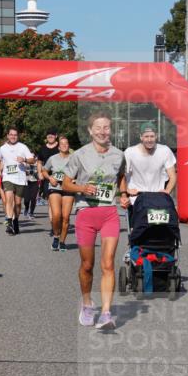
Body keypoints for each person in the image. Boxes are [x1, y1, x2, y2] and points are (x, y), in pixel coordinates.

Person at [63, 111, 129, 330]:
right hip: (86, 213)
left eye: (107, 127)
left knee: (108, 263)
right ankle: (88, 303)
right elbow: (65, 184)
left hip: (109, 212)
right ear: (90, 131)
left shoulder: (119, 155)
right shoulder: (80, 155)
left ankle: (106, 313)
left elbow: (121, 178)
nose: (103, 132)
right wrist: (83, 188)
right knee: (87, 265)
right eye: (98, 128)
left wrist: (124, 195)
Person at [124, 122, 177, 207]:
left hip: (158, 199)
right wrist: (126, 190)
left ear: (156, 136)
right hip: (136, 200)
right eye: (146, 136)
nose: (149, 140)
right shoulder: (130, 152)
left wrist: (167, 191)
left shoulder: (165, 151)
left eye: (152, 136)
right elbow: (121, 176)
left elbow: (173, 176)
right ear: (141, 137)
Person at [0, 128, 35, 235]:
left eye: (15, 135)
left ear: (18, 136)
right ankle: (9, 222)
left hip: (20, 178)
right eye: (11, 135)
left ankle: (15, 220)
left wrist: (24, 160)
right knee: (9, 199)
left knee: (17, 203)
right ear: (7, 136)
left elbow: (32, 160)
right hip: (7, 177)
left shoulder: (23, 147)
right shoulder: (2, 148)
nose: (13, 137)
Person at [42, 135, 75, 251]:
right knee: (56, 215)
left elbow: (81, 173)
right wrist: (50, 178)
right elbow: (44, 170)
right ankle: (56, 236)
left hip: (68, 188)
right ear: (59, 147)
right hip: (55, 187)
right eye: (62, 144)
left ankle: (62, 241)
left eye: (66, 143)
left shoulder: (74, 158)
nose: (64, 145)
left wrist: (76, 180)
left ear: (68, 146)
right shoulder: (53, 158)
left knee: (65, 217)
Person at [36, 129, 59, 206]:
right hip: (47, 176)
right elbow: (39, 162)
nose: (50, 136)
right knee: (51, 199)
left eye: (52, 134)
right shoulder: (43, 148)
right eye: (48, 134)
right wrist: (39, 173)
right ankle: (53, 217)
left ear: (56, 136)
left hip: (60, 176)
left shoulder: (61, 146)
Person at [23, 153, 40, 219]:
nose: (31, 158)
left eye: (33, 156)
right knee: (26, 200)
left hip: (35, 182)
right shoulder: (25, 164)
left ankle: (31, 212)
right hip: (27, 182)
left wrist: (37, 174)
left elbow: (41, 172)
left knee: (33, 198)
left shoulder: (38, 164)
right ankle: (26, 208)